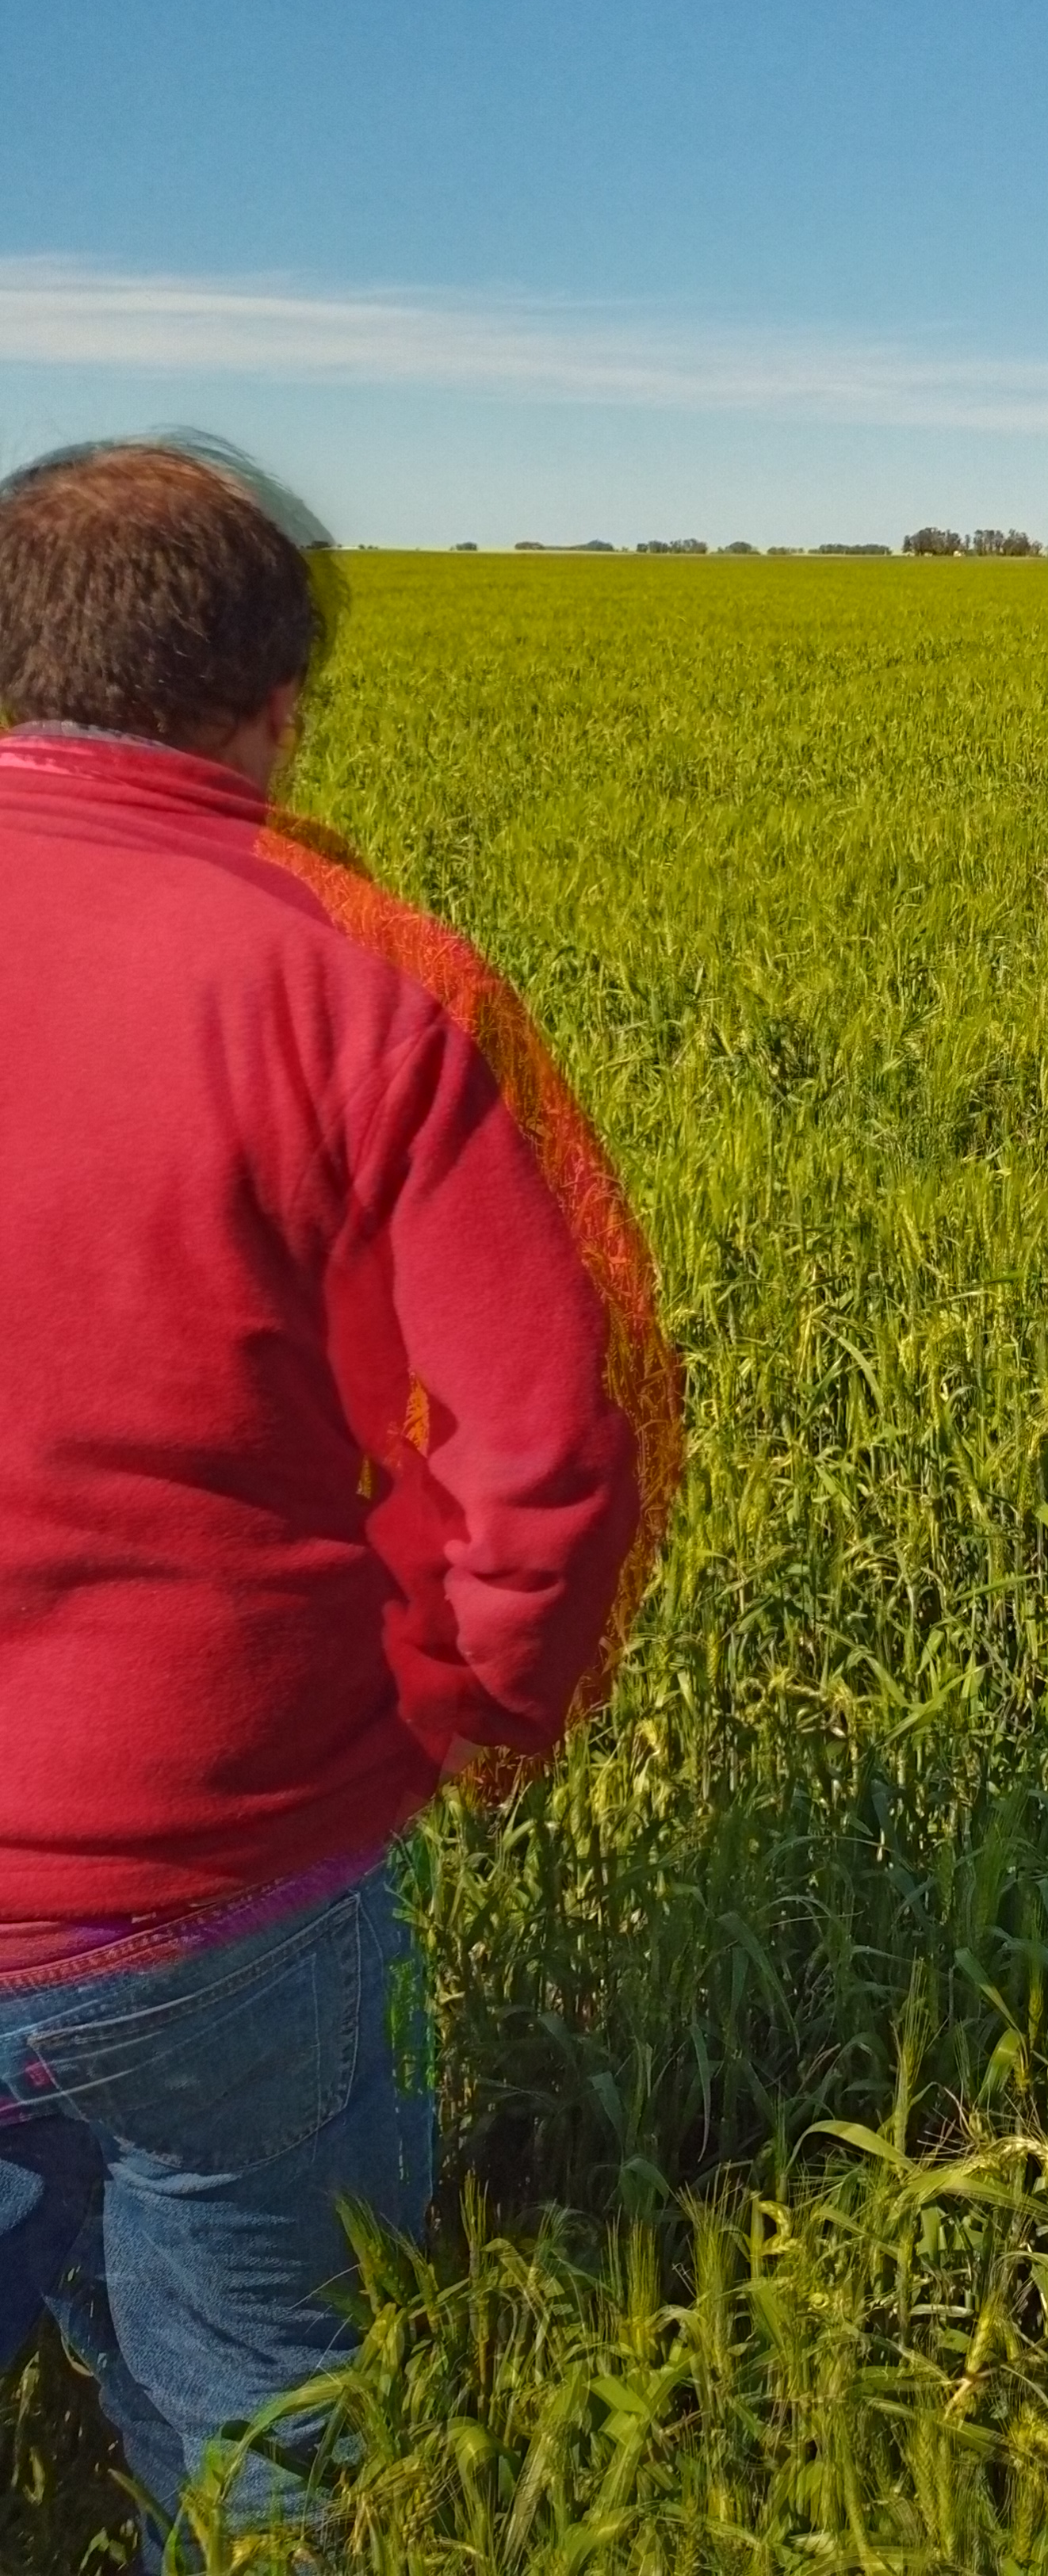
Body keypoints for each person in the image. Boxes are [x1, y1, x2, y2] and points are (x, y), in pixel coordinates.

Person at [0, 438, 682, 2561]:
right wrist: (479, 1707)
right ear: (274, 706)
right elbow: (555, 1448)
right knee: (267, 2389)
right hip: (219, 1873)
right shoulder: (370, 973)